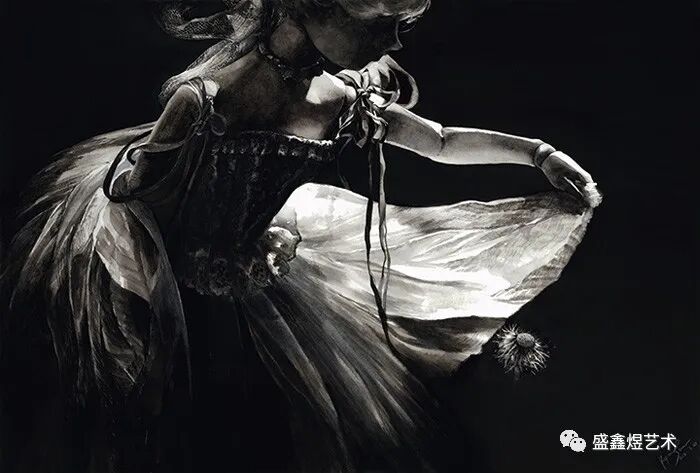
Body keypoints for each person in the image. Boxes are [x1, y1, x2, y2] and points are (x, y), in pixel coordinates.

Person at [0, 0, 601, 471]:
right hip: (170, 284)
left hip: (261, 278)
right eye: (380, 22)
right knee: (168, 422)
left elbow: (438, 142)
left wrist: (538, 154)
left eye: (402, 25)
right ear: (308, 7)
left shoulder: (341, 98)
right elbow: (140, 196)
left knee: (267, 431)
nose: (394, 43)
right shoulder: (208, 98)